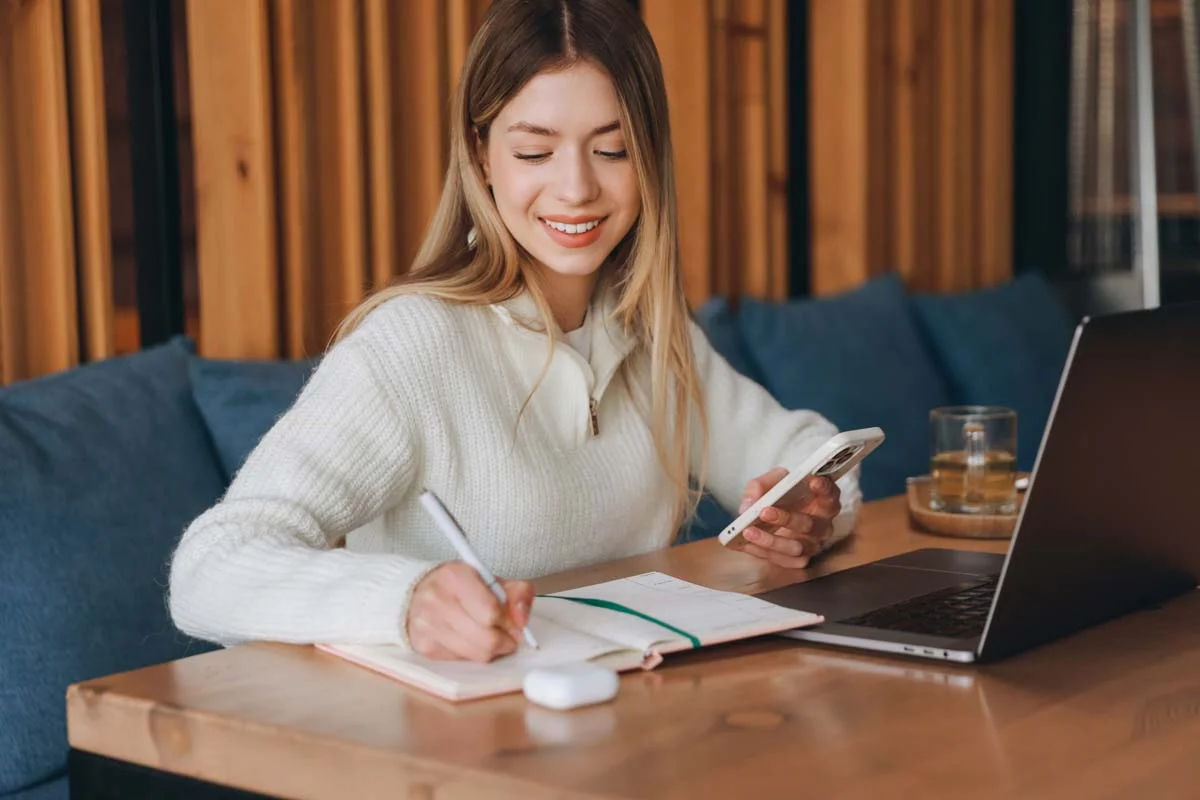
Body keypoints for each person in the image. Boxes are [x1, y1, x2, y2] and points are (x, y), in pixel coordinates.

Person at [168, 0, 861, 664]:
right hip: (455, 733)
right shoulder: (413, 344)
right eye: (534, 152)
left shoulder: (650, 331)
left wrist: (810, 514)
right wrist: (405, 603)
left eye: (612, 149)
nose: (576, 188)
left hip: (627, 714)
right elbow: (211, 569)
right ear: (481, 157)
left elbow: (815, 456)